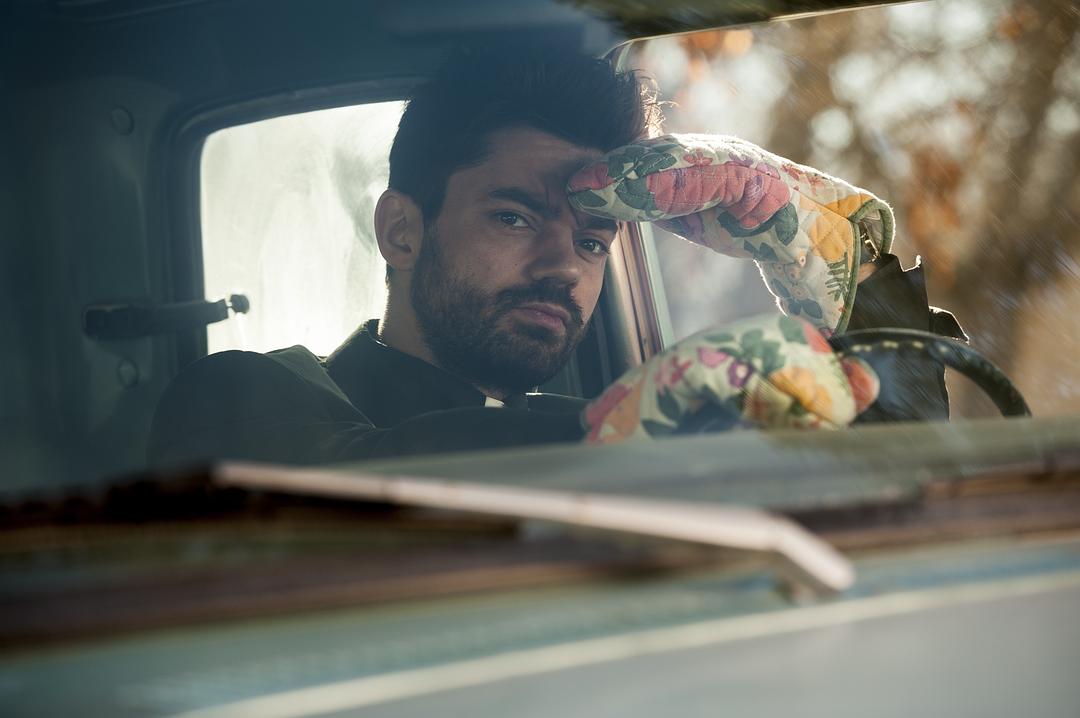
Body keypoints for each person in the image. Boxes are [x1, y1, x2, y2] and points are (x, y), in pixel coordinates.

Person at [147, 48, 963, 467]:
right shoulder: (246, 396)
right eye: (514, 216)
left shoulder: (616, 427)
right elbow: (349, 494)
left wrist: (840, 264)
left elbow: (908, 479)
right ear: (401, 231)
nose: (563, 266)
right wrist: (623, 439)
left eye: (591, 240)